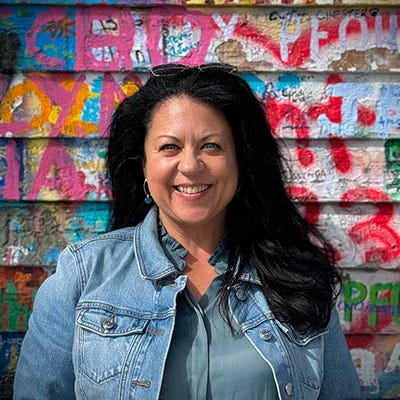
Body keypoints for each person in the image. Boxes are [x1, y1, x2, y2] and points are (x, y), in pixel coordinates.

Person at [14, 63, 361, 400]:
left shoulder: (297, 275)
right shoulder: (84, 275)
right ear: (144, 167)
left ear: (241, 162)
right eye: (170, 147)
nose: (191, 166)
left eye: (211, 146)